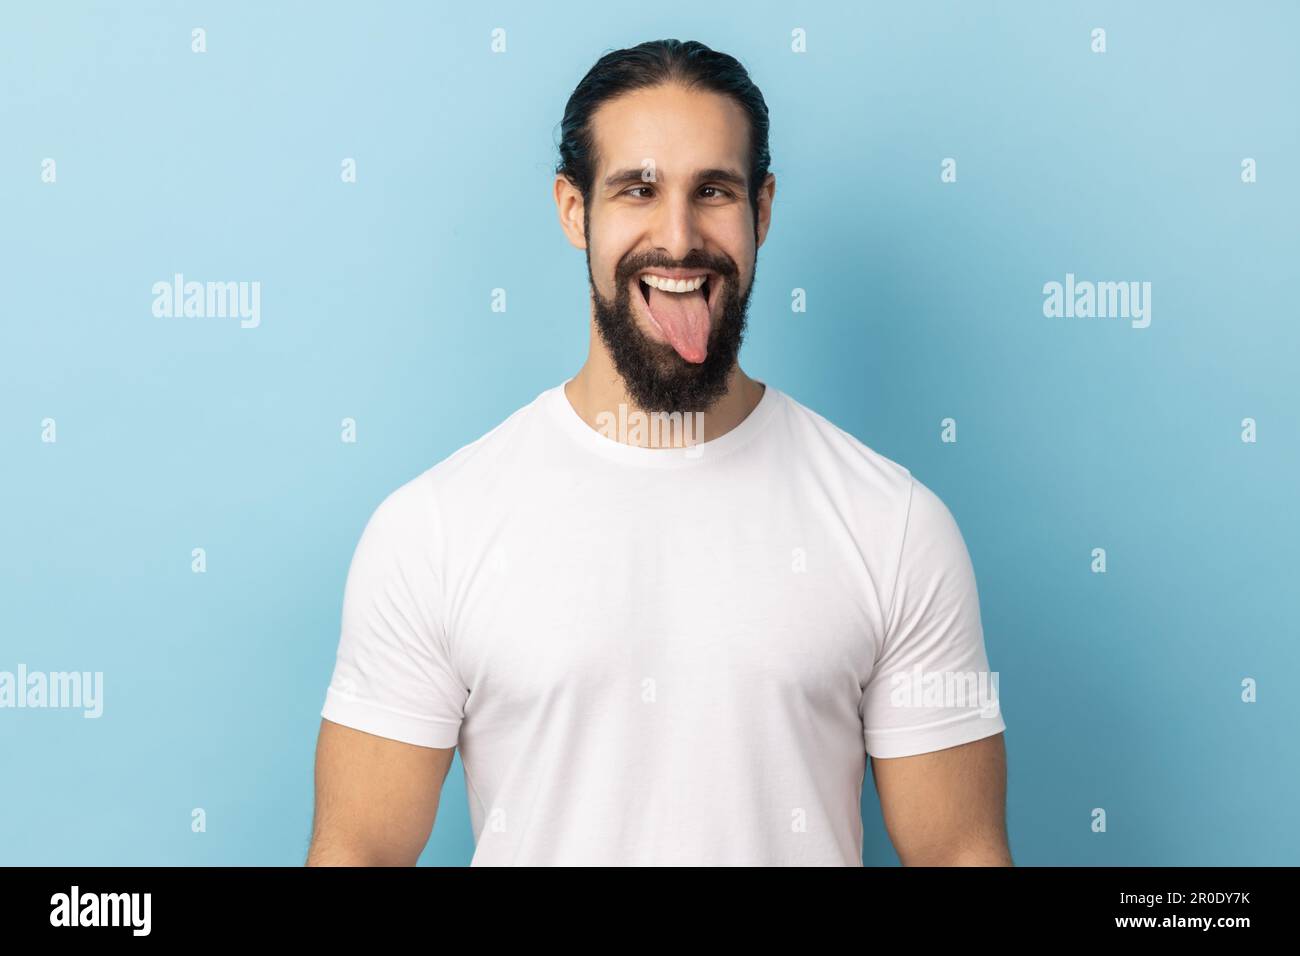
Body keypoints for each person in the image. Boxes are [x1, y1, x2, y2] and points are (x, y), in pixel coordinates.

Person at [307, 38, 1010, 866]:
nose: (678, 239)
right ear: (575, 211)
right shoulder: (431, 530)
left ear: (764, 210)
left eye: (712, 191)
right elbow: (357, 852)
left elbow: (961, 853)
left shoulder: (895, 525)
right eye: (638, 189)